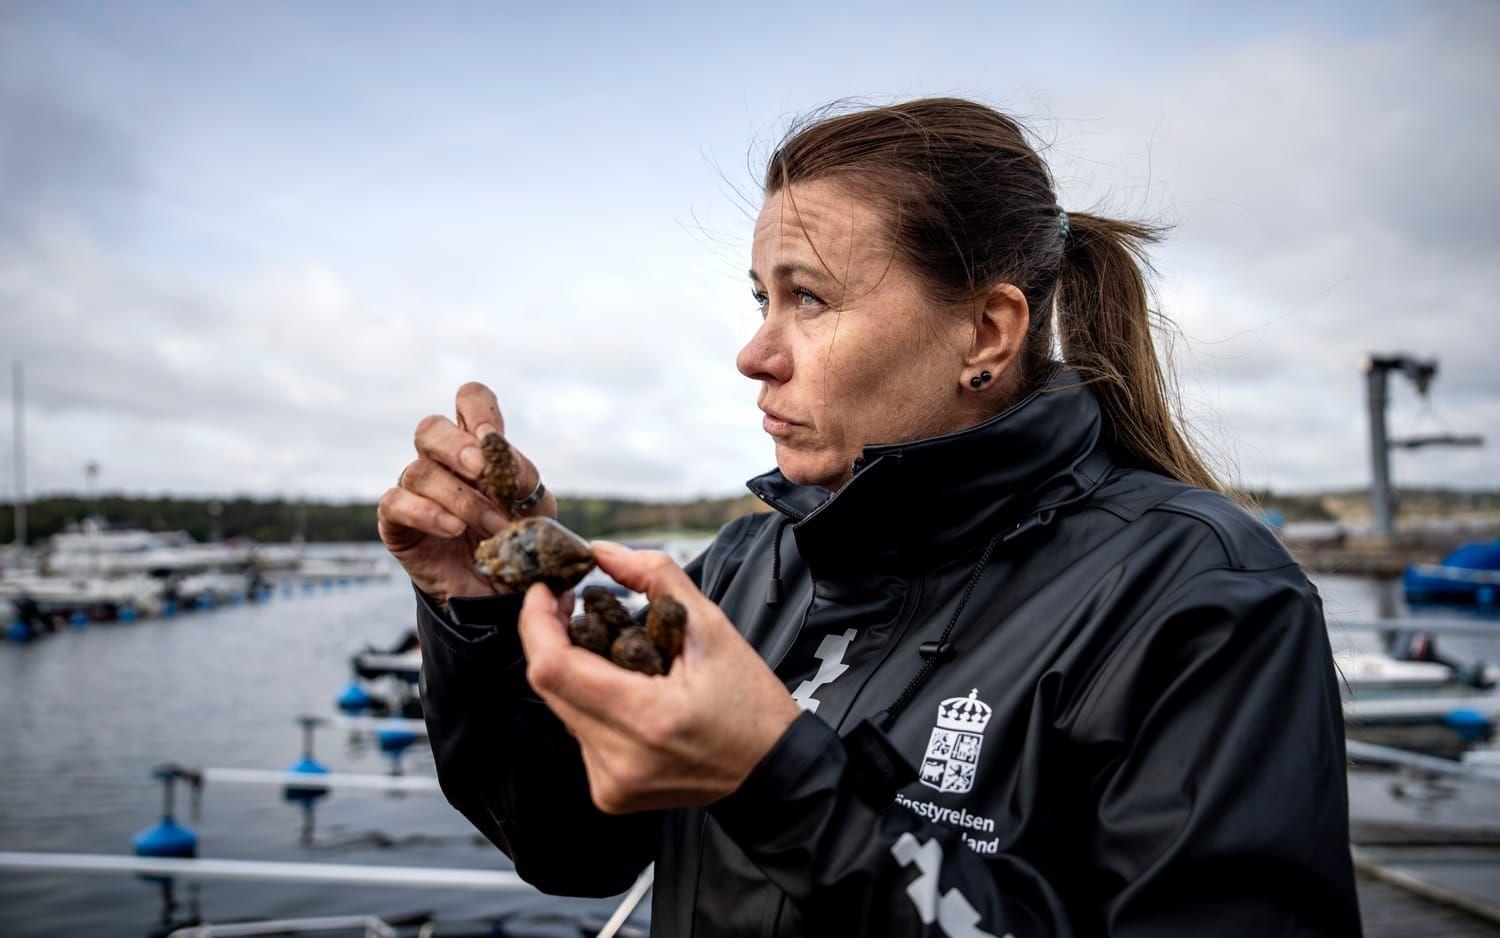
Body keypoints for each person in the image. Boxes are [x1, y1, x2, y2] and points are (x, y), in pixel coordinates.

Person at [378, 98, 1361, 937]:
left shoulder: (1200, 597)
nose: (754, 352)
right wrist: (475, 611)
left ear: (985, 331)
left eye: (807, 299)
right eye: (761, 298)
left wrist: (778, 779)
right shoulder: (748, 566)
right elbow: (569, 844)